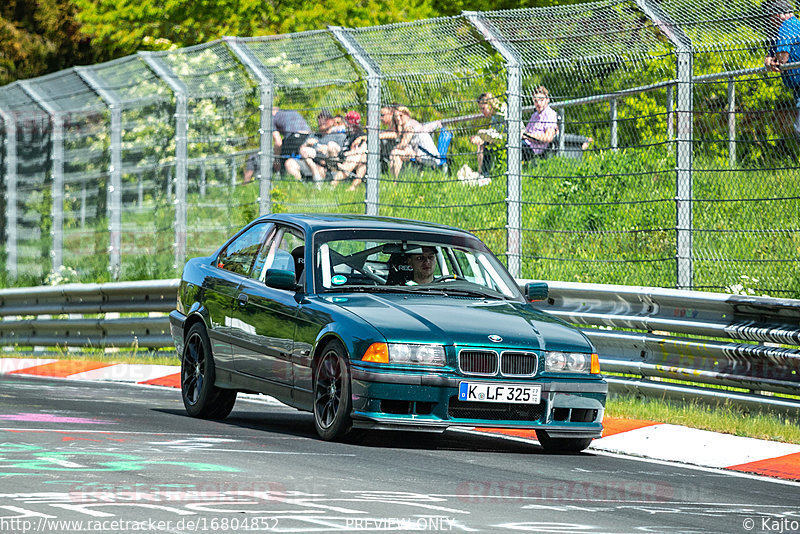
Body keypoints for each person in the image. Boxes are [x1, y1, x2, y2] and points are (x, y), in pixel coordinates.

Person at [243, 107, 311, 182]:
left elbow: (278, 141)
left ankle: (285, 181)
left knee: (282, 159)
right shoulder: (291, 112)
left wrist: (277, 160)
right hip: (308, 137)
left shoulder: (271, 118)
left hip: (293, 138)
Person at [764, 0, 800, 135]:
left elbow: (782, 58)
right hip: (797, 88)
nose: (771, 22)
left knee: (799, 129)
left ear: (778, 15)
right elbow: (770, 57)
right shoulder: (781, 31)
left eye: (771, 18)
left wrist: (776, 60)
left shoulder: (787, 26)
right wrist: (769, 60)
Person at [285, 109, 347, 182]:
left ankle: (331, 180)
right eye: (319, 118)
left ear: (332, 121)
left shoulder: (339, 136)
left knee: (331, 146)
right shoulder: (313, 135)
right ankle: (301, 187)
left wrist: (325, 149)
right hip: (312, 165)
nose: (321, 121)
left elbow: (339, 153)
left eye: (325, 119)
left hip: (329, 167)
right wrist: (306, 144)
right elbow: (301, 151)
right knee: (290, 163)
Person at [388, 106, 440, 177]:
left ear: (407, 115)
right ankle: (395, 180)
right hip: (421, 153)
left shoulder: (410, 126)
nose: (398, 118)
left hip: (427, 156)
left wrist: (396, 147)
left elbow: (403, 144)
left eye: (401, 115)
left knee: (395, 153)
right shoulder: (411, 123)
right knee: (396, 153)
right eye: (395, 116)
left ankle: (394, 181)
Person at [470, 92, 505, 175]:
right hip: (501, 138)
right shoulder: (494, 116)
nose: (482, 111)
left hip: (510, 138)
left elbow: (499, 133)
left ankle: (484, 173)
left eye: (483, 108)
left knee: (485, 142)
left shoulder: (501, 112)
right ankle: (482, 173)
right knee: (482, 143)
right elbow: (494, 132)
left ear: (489, 105)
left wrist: (481, 135)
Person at [522, 86, 559, 161]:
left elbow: (548, 138)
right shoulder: (534, 115)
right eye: (536, 101)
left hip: (536, 149)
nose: (538, 103)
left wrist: (528, 136)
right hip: (526, 143)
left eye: (541, 100)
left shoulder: (550, 114)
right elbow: (526, 132)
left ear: (547, 100)